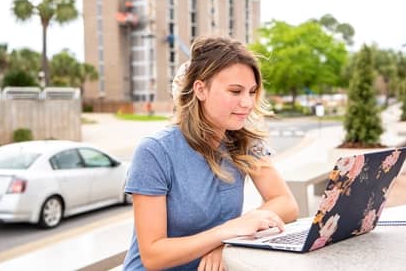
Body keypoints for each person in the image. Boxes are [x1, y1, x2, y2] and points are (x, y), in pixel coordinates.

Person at [123, 36, 299, 271]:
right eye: (235, 91)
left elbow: (286, 203)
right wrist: (226, 233)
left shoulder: (244, 141)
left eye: (252, 91)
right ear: (201, 89)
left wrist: (229, 240)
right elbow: (154, 256)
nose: (247, 102)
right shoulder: (155, 151)